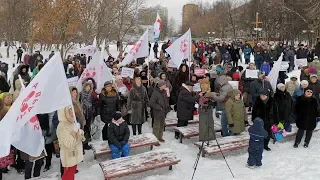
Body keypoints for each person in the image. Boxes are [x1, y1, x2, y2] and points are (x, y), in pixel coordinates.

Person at [57, 107, 85, 180]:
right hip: (68, 156)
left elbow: (80, 139)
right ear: (64, 114)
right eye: (69, 113)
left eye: (72, 112)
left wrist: (80, 133)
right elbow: (68, 143)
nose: (72, 114)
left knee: (71, 173)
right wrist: (74, 132)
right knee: (68, 175)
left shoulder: (72, 122)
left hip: (74, 155)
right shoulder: (62, 126)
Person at [80, 82, 94, 150]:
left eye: (89, 87)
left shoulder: (91, 95)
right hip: (83, 114)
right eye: (87, 87)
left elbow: (92, 103)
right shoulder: (80, 94)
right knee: (83, 129)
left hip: (89, 114)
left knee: (88, 129)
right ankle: (82, 144)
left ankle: (86, 143)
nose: (88, 88)